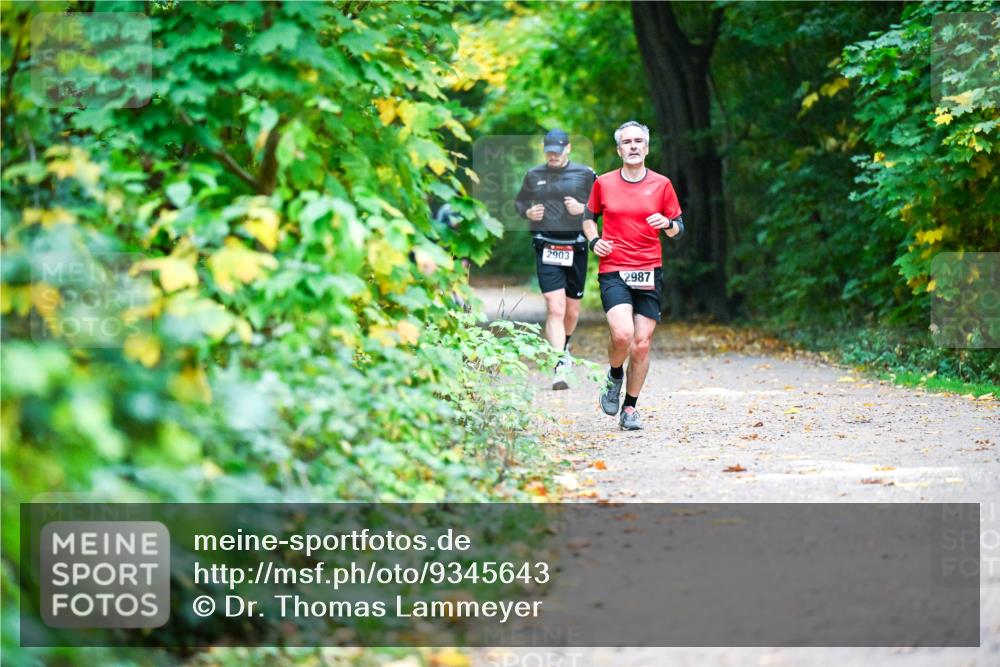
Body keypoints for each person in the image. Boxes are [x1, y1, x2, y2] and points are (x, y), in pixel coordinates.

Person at [582, 121, 684, 430]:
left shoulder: (662, 184)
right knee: (623, 334)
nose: (634, 146)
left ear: (647, 147)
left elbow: (679, 228)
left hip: (649, 269)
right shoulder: (605, 183)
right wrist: (593, 240)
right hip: (614, 267)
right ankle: (615, 374)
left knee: (642, 343)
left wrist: (665, 224)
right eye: (627, 142)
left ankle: (629, 409)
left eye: (639, 141)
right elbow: (589, 218)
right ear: (619, 149)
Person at [514, 129, 597, 390]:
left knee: (571, 310)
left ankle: (565, 344)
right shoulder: (533, 175)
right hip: (546, 246)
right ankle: (560, 362)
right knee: (555, 306)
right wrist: (528, 212)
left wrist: (582, 210)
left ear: (568, 149)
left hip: (576, 247)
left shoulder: (585, 175)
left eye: (557, 151)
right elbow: (519, 204)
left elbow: (603, 207)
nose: (553, 155)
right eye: (549, 151)